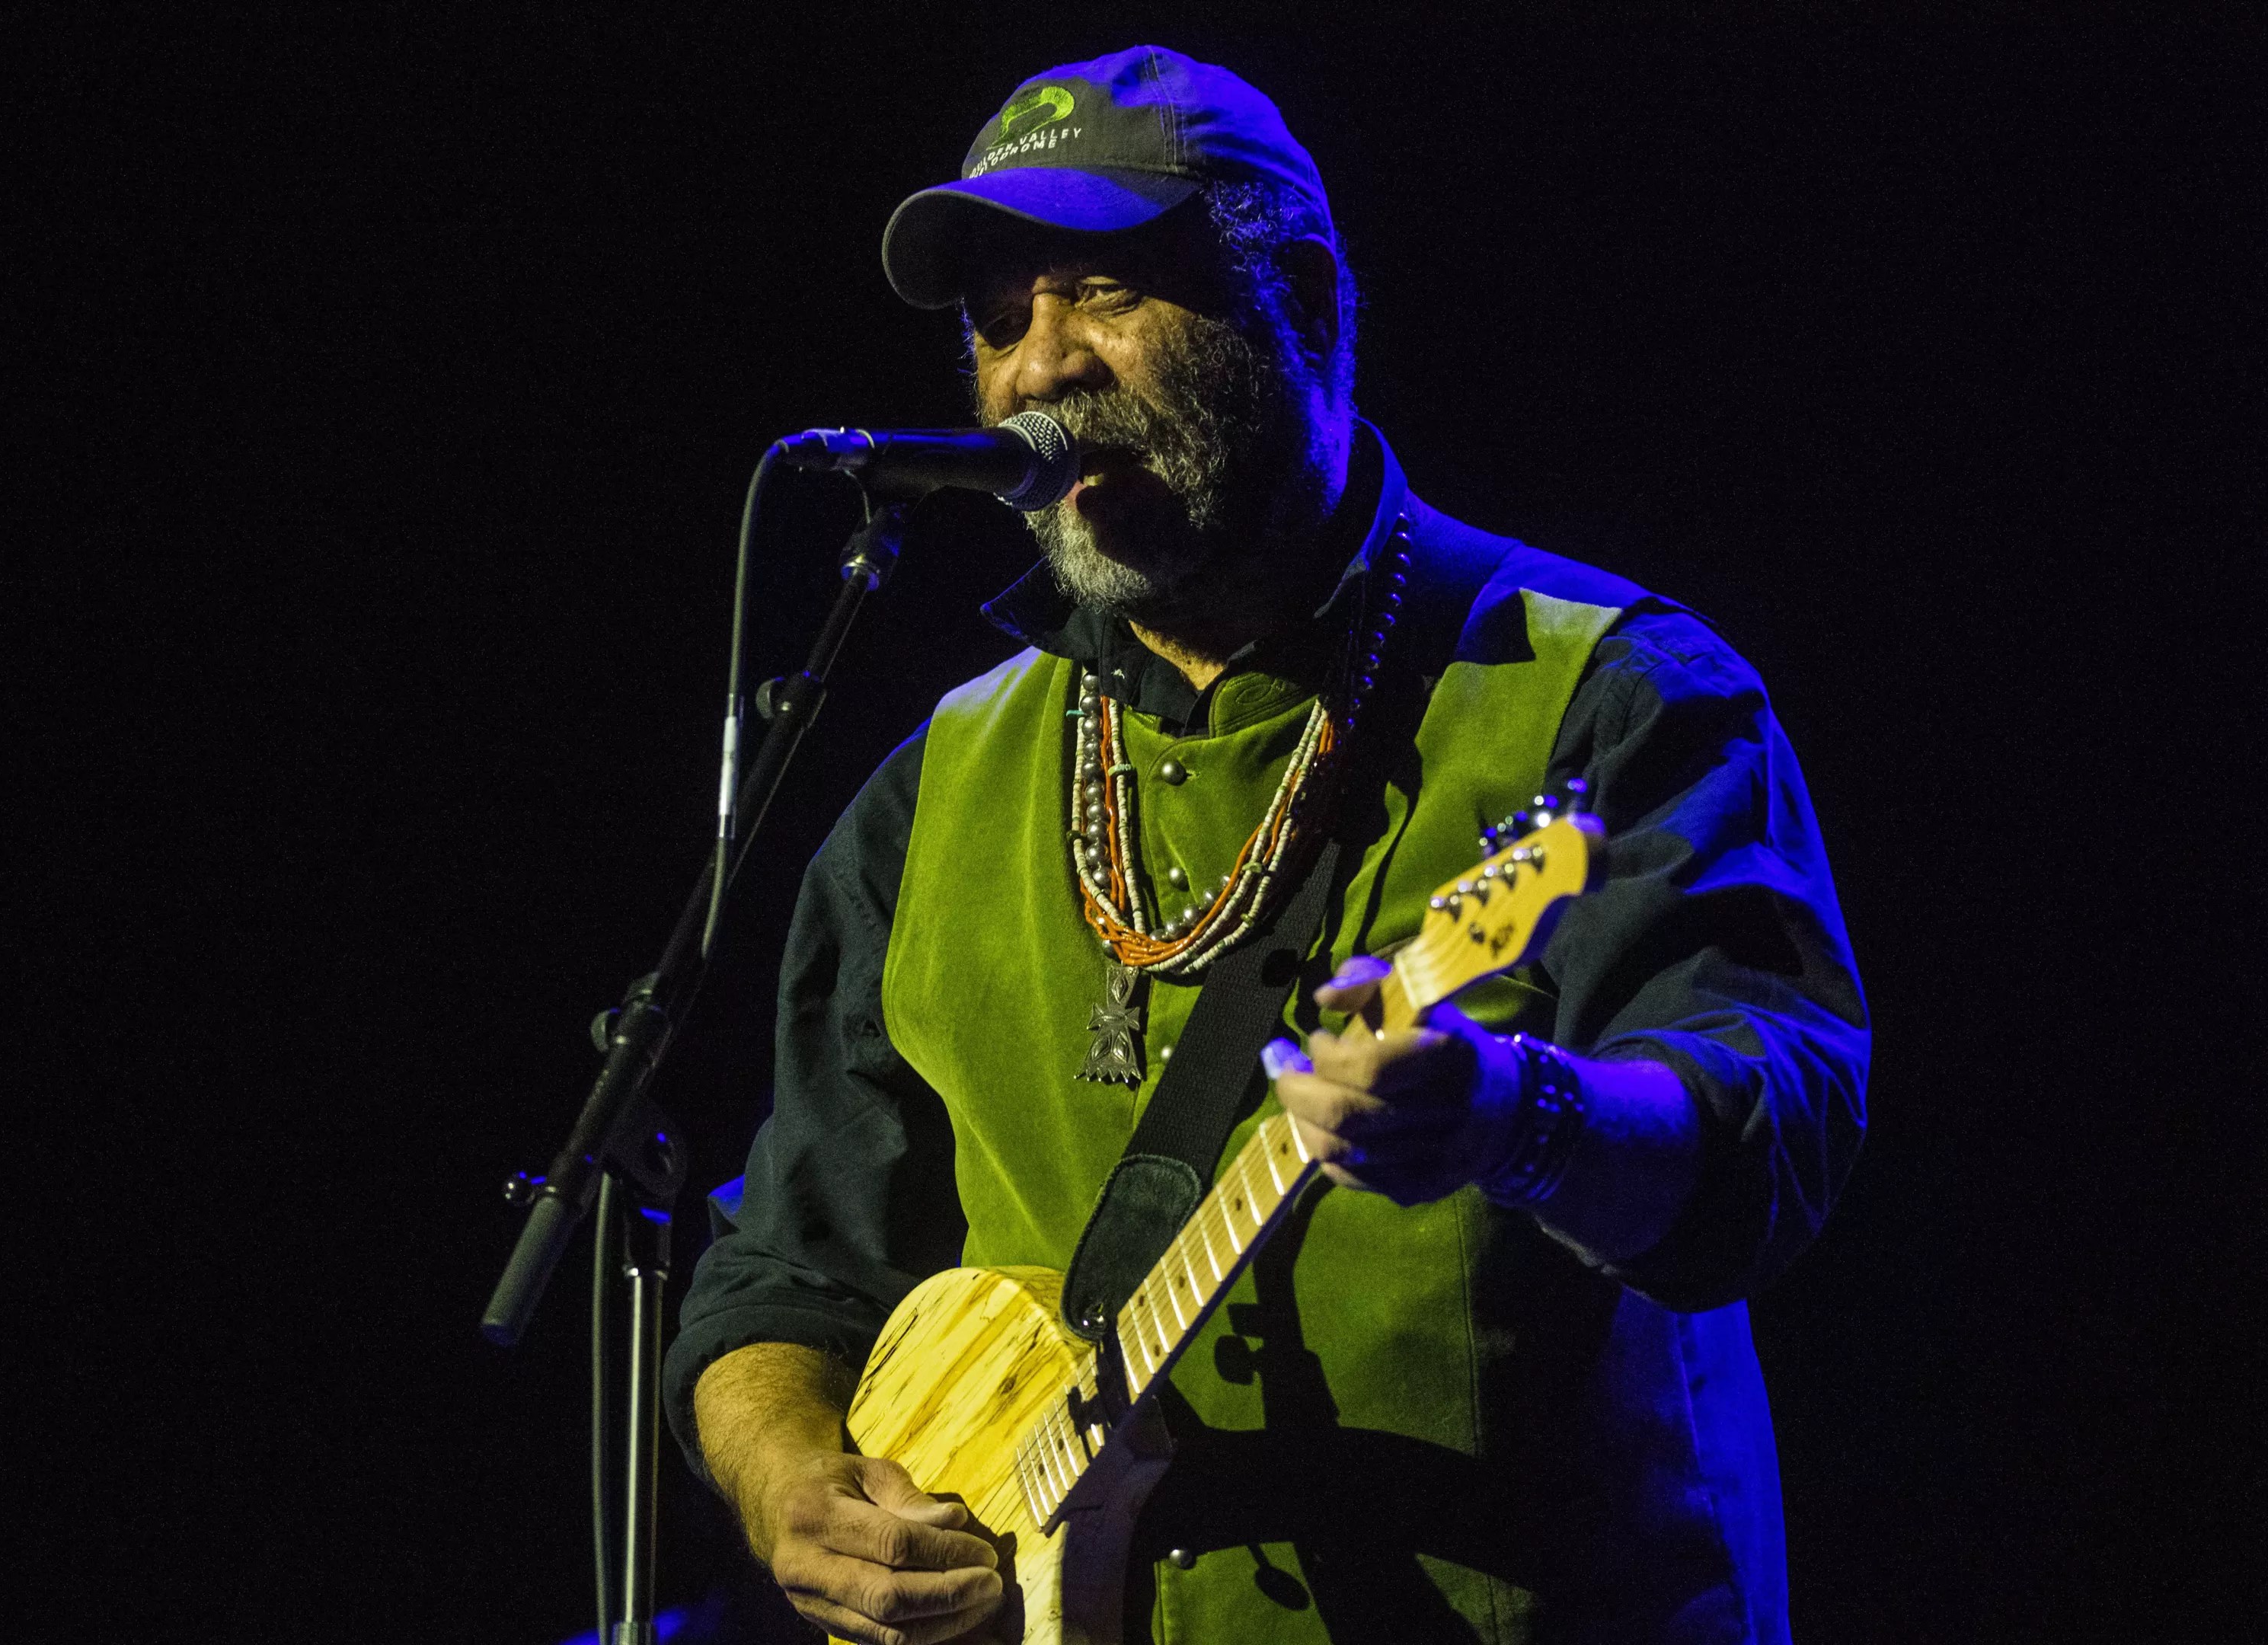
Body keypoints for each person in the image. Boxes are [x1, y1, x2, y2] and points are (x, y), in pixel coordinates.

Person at [662, 45, 1867, 1645]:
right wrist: (792, 1490)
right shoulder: (931, 783)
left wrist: (1524, 1116)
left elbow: (1770, 1137)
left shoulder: (1609, 690)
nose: (1033, 370)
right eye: (996, 319)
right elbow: (788, 1275)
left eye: (1098, 291)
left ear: (1297, 299)